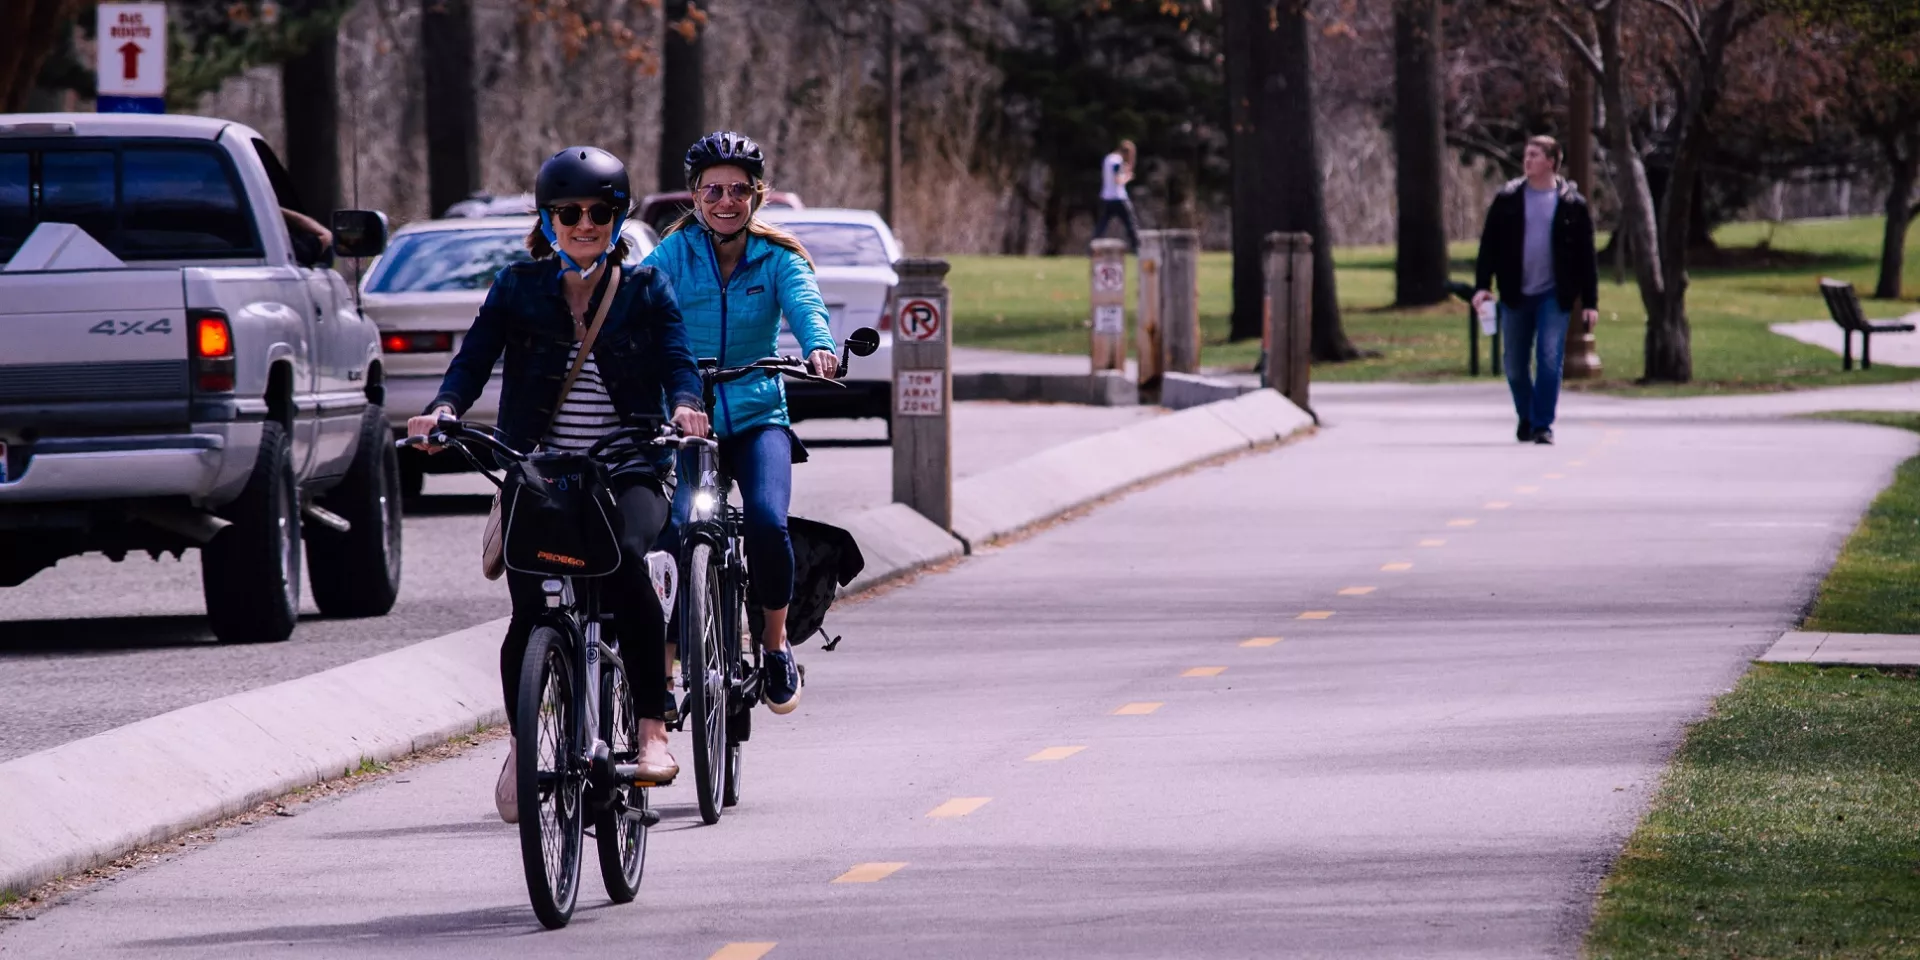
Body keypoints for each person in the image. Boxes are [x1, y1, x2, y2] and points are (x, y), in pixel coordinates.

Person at [407, 146, 709, 822]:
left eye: (598, 213)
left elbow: (677, 359)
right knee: (532, 612)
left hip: (627, 464)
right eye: (568, 213)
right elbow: (473, 360)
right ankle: (524, 740)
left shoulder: (644, 290)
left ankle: (651, 731)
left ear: (617, 218)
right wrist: (446, 411)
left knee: (627, 564)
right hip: (538, 472)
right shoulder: (518, 287)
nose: (583, 224)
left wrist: (686, 404)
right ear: (547, 220)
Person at [645, 131, 837, 716]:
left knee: (766, 525)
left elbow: (807, 307)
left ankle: (774, 646)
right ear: (695, 196)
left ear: (757, 195)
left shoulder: (779, 257)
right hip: (687, 420)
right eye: (712, 191)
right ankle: (668, 666)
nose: (725, 202)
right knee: (675, 530)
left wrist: (820, 348)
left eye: (737, 190)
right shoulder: (672, 255)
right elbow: (637, 304)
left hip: (758, 416)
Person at [1472, 135, 1599, 445]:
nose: (1527, 160)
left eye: (1534, 155)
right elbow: (1489, 245)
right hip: (1515, 292)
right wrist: (1482, 287)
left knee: (1549, 357)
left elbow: (1586, 256)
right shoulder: (1508, 199)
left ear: (1551, 162)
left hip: (1553, 295)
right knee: (1514, 365)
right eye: (1526, 155)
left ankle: (1542, 424)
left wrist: (1590, 302)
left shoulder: (1572, 204)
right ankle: (1527, 416)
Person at [1092, 139, 1140, 253]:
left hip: (1106, 197)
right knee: (1131, 223)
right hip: (1118, 197)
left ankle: (1093, 247)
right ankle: (1137, 247)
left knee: (1102, 225)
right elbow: (1118, 179)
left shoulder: (1108, 158)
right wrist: (1128, 177)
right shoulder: (1117, 161)